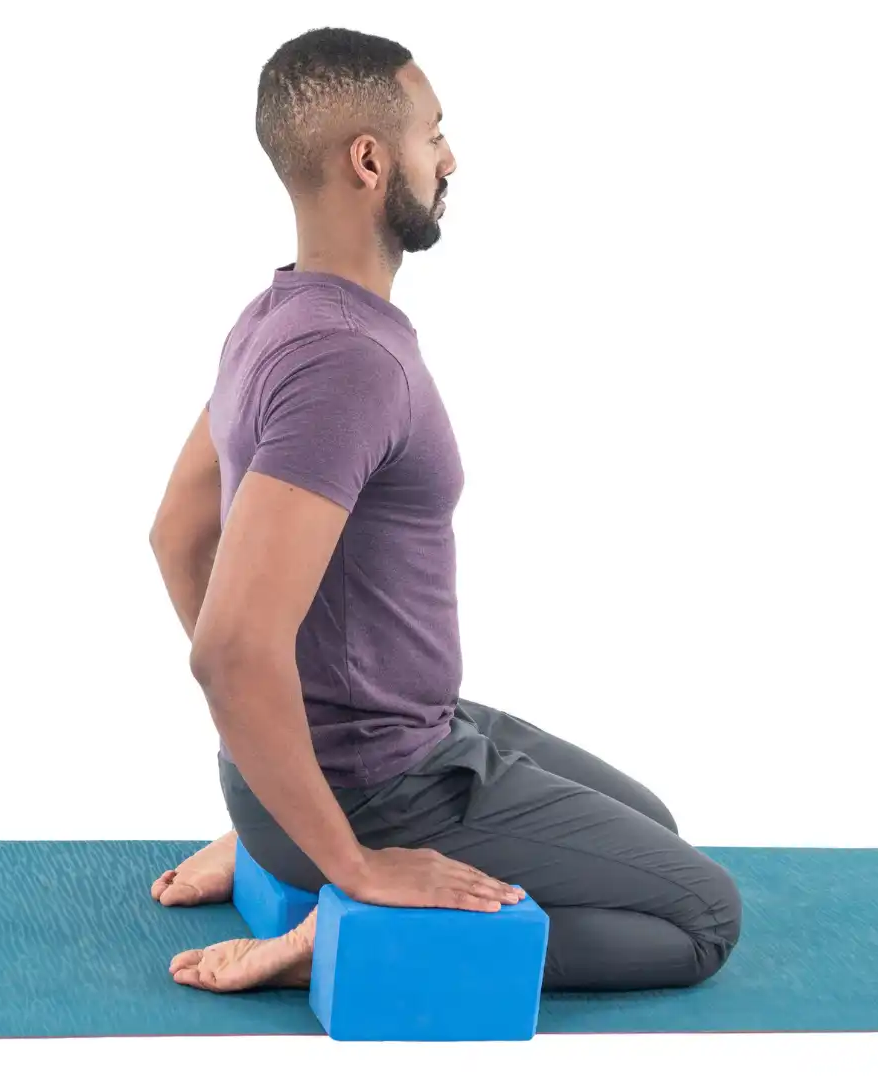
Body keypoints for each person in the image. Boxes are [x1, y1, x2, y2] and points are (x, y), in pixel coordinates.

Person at [146, 27, 742, 994]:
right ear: (371, 161)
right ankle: (341, 932)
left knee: (654, 829)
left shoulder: (273, 317)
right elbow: (228, 649)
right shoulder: (348, 362)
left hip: (408, 733)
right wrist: (347, 855)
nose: (450, 157)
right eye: (434, 134)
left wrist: (270, 764)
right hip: (384, 789)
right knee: (703, 917)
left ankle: (274, 839)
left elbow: (178, 534)